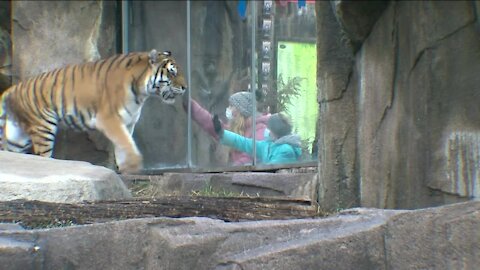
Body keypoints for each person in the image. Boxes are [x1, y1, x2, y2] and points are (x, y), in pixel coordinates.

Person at [183, 91, 270, 166]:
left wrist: (229, 170)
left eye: (232, 106)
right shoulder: (240, 128)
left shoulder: (259, 131)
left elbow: (250, 159)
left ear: (241, 111)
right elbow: (213, 126)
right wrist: (189, 104)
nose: (229, 109)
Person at [212, 112, 302, 164]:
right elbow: (244, 143)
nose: (267, 131)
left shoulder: (286, 150)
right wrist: (222, 133)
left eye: (269, 129)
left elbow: (271, 171)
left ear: (275, 132)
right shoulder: (268, 145)